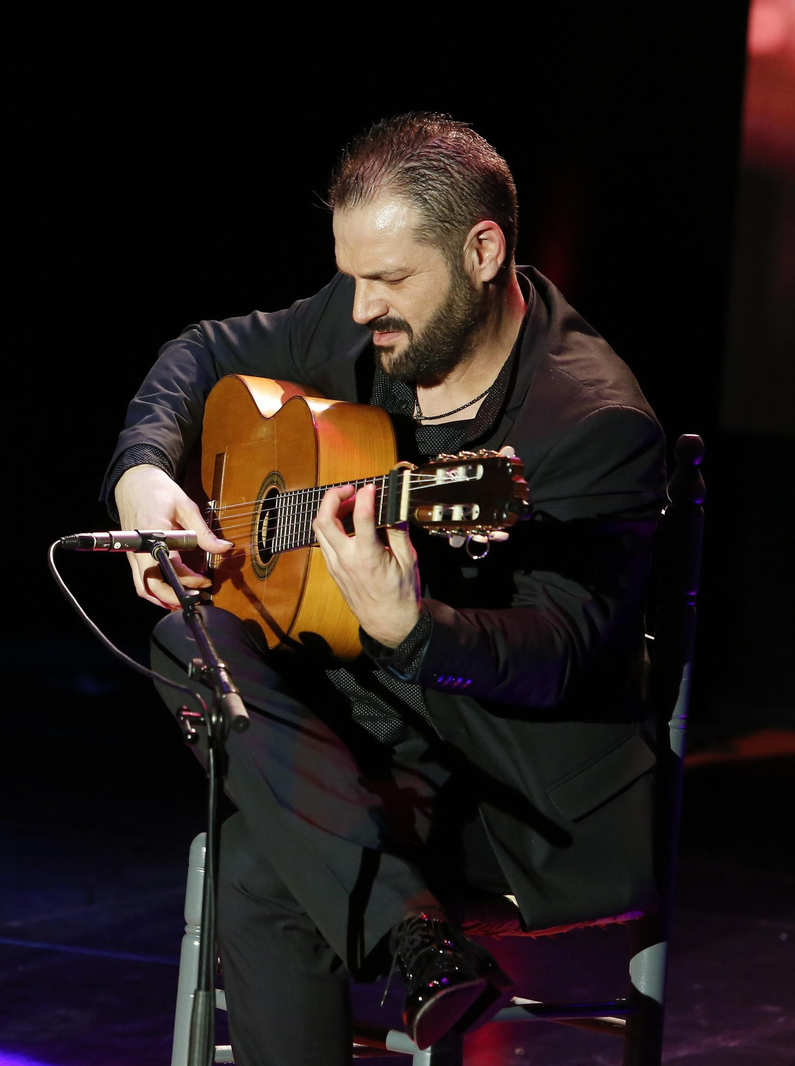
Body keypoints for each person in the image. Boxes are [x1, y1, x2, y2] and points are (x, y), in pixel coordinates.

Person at [105, 113, 664, 1062]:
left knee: (252, 869)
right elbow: (203, 351)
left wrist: (413, 627)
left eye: (390, 279)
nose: (361, 309)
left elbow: (561, 659)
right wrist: (144, 474)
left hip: (510, 790)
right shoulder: (371, 317)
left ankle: (414, 937)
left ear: (483, 251)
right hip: (364, 739)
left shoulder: (594, 423)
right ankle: (415, 941)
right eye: (352, 276)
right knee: (185, 623)